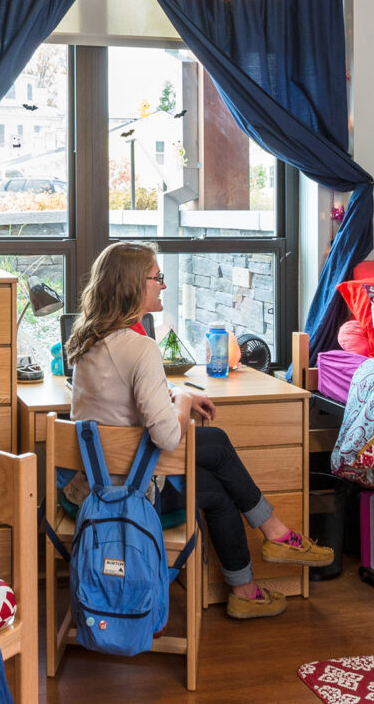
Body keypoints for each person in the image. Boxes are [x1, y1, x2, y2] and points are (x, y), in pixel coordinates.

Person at [65, 242, 333, 619]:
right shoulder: (140, 347)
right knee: (217, 443)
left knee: (217, 488)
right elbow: (167, 438)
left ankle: (246, 585)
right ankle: (272, 538)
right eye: (156, 277)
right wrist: (185, 402)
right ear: (131, 285)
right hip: (131, 494)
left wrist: (174, 391)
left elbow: (124, 391)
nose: (162, 284)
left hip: (93, 484)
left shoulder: (87, 340)